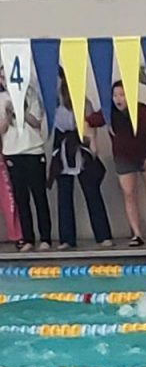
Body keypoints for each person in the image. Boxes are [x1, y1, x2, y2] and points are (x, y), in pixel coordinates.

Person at [86, 82, 146, 246]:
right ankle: (137, 234)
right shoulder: (108, 112)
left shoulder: (143, 111)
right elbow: (88, 122)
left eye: (122, 95)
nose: (118, 99)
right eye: (115, 95)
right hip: (123, 157)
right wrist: (93, 141)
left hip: (145, 154)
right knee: (129, 195)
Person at [48, 70, 113, 250]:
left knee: (92, 193)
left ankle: (103, 236)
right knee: (64, 195)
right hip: (62, 150)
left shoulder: (83, 102)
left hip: (80, 148)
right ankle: (67, 239)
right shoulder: (51, 104)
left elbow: (89, 128)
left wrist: (93, 146)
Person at [0, 64, 51, 251]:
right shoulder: (1, 99)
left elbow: (37, 123)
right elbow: (1, 130)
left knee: (39, 195)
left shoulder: (31, 95)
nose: (6, 82)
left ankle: (45, 238)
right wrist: (7, 115)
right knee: (21, 198)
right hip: (12, 151)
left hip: (33, 150)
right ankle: (28, 239)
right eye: (2, 78)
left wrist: (21, 109)